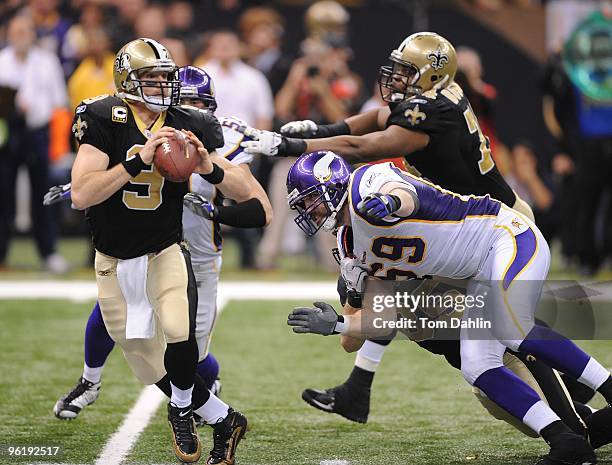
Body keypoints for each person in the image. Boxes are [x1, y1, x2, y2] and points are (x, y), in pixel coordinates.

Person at [240, 32, 535, 424]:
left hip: (495, 229)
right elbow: (372, 120)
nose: (395, 77)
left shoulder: (424, 116)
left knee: (506, 339)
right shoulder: (434, 99)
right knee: (416, 303)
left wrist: (287, 145)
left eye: (406, 71)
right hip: (481, 223)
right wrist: (314, 132)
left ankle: (574, 419)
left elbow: (366, 146)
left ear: (431, 76)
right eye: (396, 69)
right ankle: (358, 389)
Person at [285, 150, 612, 465]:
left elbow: (404, 193)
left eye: (309, 199)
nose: (308, 210)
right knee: (477, 365)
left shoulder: (366, 182)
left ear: (332, 185)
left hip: (504, 237)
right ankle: (564, 442)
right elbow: (381, 322)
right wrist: (339, 324)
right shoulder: (351, 251)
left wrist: (390, 201)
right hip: (480, 272)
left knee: (510, 326)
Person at [50, 67, 272, 435]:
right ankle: (92, 381)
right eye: (185, 99)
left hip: (196, 256)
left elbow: (260, 207)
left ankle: (207, 397)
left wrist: (215, 192)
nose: (187, 106)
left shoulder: (215, 136)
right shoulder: (126, 123)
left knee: (190, 354)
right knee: (120, 326)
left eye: (198, 102)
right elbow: (94, 182)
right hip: (143, 247)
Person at [0, 15, 69, 273]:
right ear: (8, 33)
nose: (21, 35)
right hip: (7, 133)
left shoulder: (47, 61)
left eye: (26, 30)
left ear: (33, 33)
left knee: (44, 194)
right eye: (17, 30)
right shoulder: (2, 61)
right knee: (3, 195)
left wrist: (58, 145)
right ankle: (1, 253)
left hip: (39, 132)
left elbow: (60, 102)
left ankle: (48, 252)